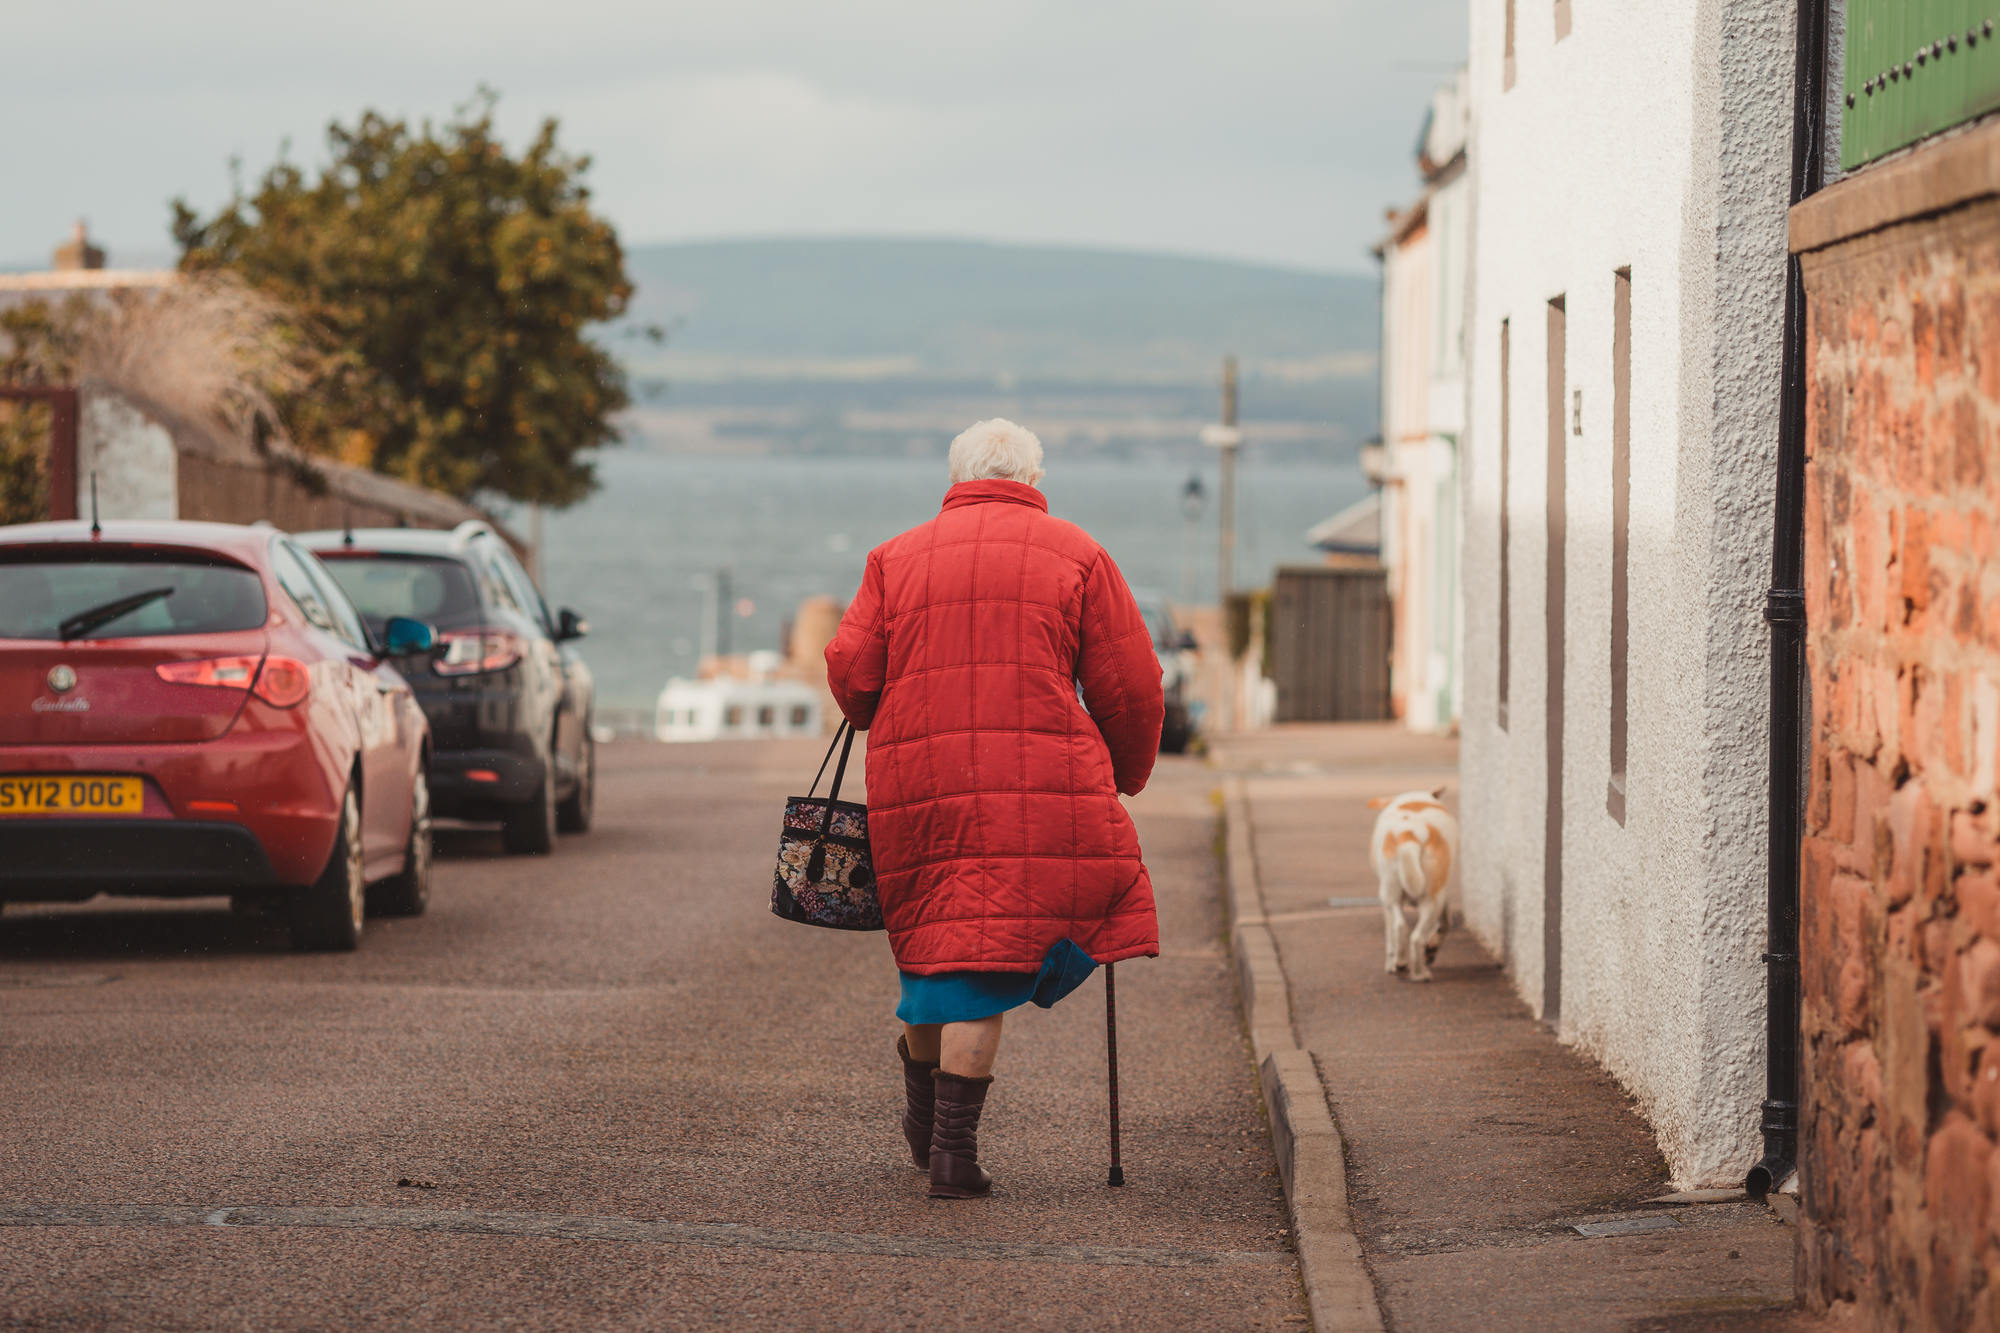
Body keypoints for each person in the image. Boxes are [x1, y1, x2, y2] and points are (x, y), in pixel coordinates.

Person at [824, 418, 1166, 1199]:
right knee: (985, 957)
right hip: (1034, 783)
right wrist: (1128, 771)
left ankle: (925, 1123)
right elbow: (1133, 683)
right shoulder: (1078, 554)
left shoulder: (893, 557)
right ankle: (952, 1153)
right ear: (1033, 478)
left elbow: (852, 675)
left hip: (917, 783)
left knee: (934, 952)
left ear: (956, 476)